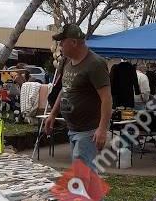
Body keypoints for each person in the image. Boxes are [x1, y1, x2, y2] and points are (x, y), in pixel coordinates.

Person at [45, 24, 112, 171]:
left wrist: (102, 129)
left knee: (81, 175)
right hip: (73, 128)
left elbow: (106, 98)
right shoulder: (68, 62)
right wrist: (53, 114)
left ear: (74, 42)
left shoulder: (95, 64)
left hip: (88, 131)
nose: (60, 45)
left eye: (63, 41)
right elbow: (65, 89)